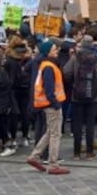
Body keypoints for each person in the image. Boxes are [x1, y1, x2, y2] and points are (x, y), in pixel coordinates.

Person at [26, 41, 70, 175]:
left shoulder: (45, 65)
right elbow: (49, 88)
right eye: (54, 49)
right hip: (51, 104)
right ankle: (53, 164)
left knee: (50, 131)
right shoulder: (49, 67)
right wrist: (55, 103)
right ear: (47, 52)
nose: (56, 51)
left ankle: (34, 156)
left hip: (48, 104)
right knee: (56, 134)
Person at [64, 36, 97, 160]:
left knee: (77, 124)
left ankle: (76, 153)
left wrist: (74, 83)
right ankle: (90, 152)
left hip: (76, 96)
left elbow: (66, 73)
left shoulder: (75, 58)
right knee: (90, 124)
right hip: (93, 96)